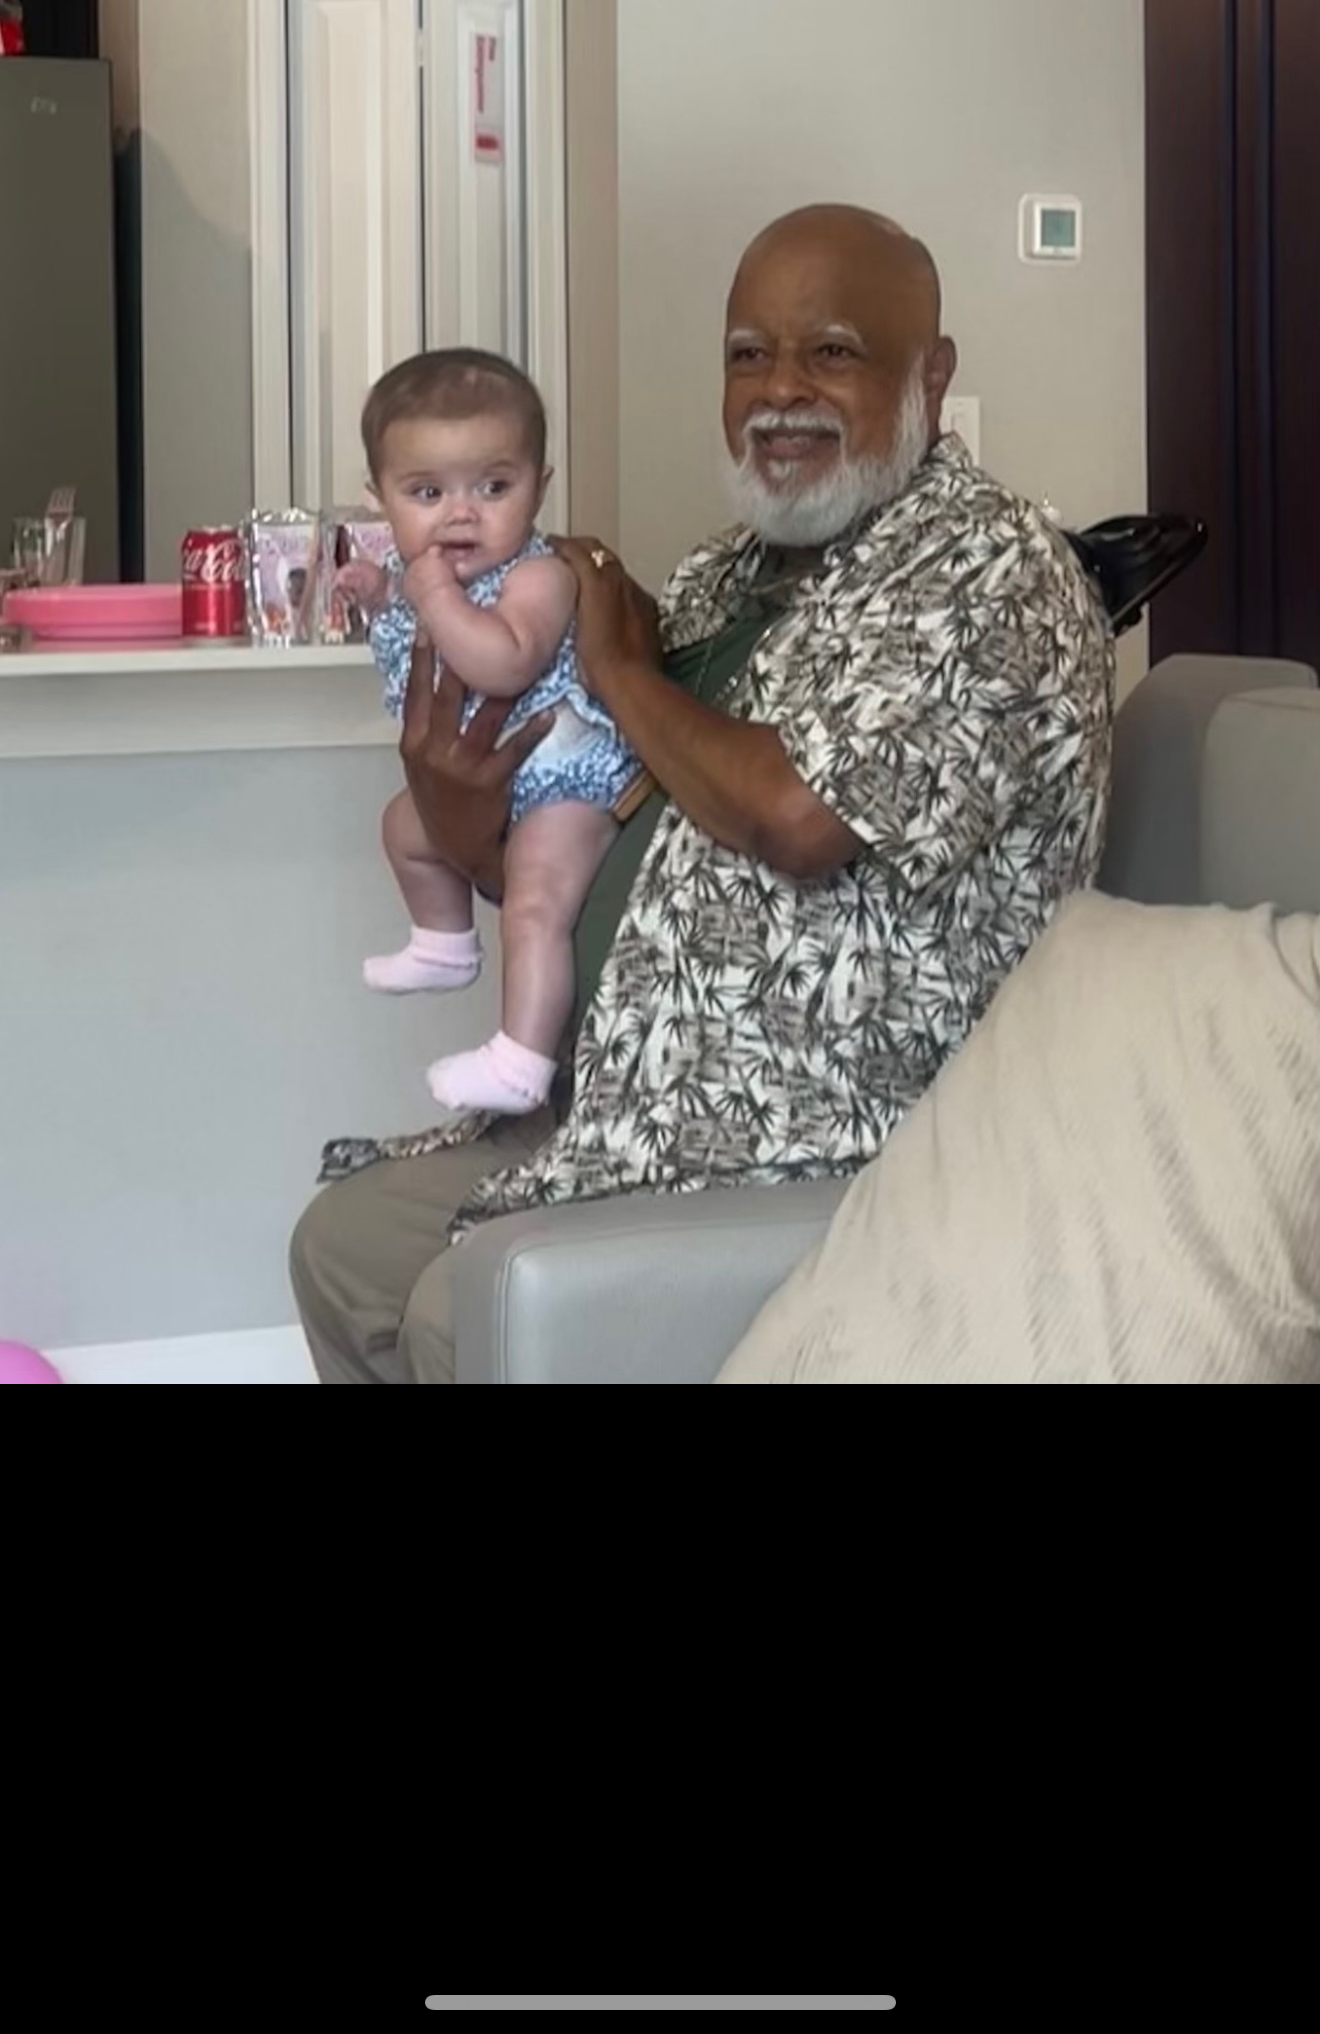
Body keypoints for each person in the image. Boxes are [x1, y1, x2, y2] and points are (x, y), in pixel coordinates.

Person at [291, 204, 1114, 1384]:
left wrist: (621, 669)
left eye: (831, 351)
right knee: (346, 1248)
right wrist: (458, 805)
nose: (780, 391)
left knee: (448, 1313)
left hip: (814, 1127)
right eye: (747, 354)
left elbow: (800, 818)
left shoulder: (997, 568)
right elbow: (587, 826)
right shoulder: (726, 572)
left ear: (932, 376)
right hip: (623, 1087)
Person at [337, 349, 642, 1116]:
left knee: (537, 902)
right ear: (381, 500)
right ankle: (443, 942)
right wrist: (380, 600)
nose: (461, 513)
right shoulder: (432, 586)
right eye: (427, 492)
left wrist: (431, 592)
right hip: (499, 784)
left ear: (540, 486)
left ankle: (522, 1058)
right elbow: (413, 645)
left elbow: (502, 664)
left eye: (494, 487)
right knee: (404, 828)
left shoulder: (539, 577)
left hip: (568, 781)